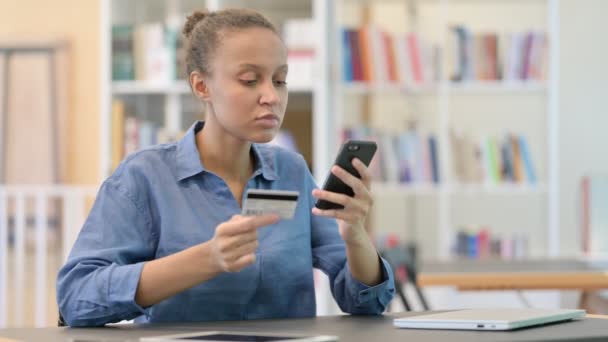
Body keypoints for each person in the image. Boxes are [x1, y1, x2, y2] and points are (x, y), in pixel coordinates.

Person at [56, 8, 395, 327]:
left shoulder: (291, 172)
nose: (271, 96)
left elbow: (364, 302)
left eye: (279, 80)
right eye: (250, 80)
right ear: (202, 86)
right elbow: (76, 297)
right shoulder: (143, 177)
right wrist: (206, 259)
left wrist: (355, 237)